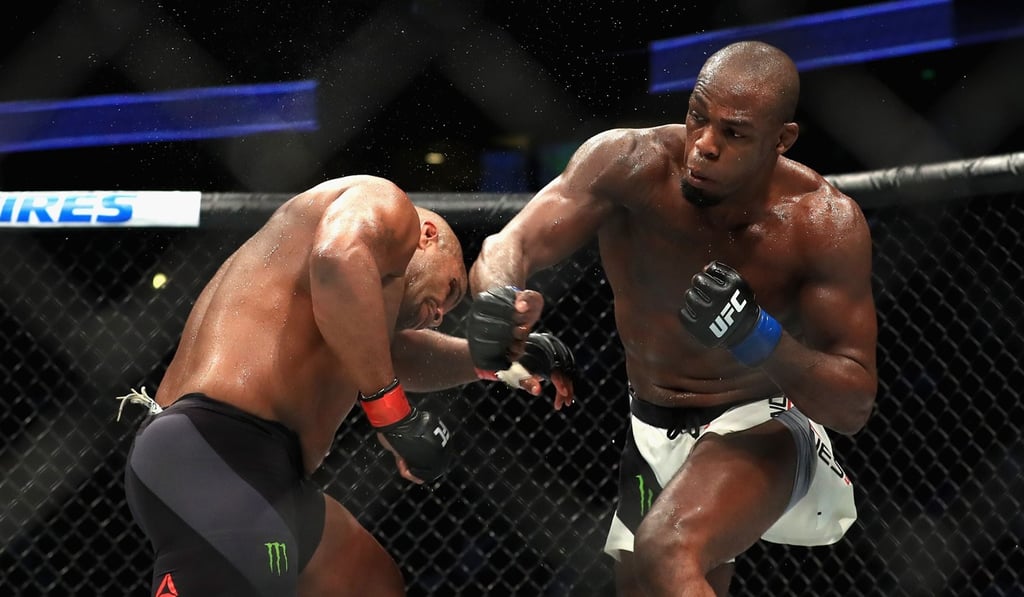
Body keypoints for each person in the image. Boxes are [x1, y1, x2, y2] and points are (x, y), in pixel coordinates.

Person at [467, 41, 877, 596]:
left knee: (669, 549)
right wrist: (500, 300)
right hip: (649, 426)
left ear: (781, 140)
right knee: (651, 579)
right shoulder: (628, 164)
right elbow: (510, 242)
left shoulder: (820, 222)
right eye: (696, 118)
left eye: (733, 134)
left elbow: (853, 403)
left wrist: (757, 336)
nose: (703, 146)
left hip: (761, 422)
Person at [119, 175, 574, 597]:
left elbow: (389, 355)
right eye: (450, 289)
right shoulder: (388, 207)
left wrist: (493, 362)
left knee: (371, 583)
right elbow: (337, 260)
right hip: (215, 450)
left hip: (264, 471)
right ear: (427, 236)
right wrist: (391, 414)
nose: (441, 314)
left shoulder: (352, 317)